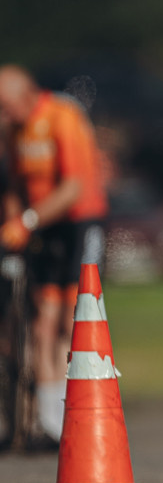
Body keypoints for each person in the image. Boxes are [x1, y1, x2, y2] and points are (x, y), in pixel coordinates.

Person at [0, 65, 109, 443]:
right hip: (41, 228)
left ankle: (76, 416)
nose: (2, 115)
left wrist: (27, 221)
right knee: (41, 324)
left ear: (24, 94)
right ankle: (49, 424)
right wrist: (14, 223)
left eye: (5, 106)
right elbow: (15, 182)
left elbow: (74, 188)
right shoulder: (13, 129)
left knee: (71, 322)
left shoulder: (62, 117)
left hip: (80, 225)